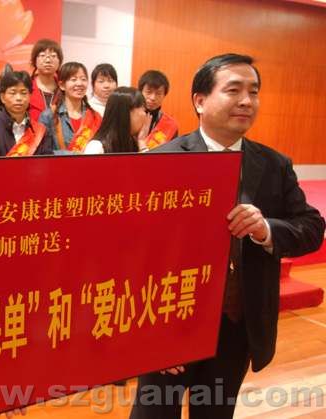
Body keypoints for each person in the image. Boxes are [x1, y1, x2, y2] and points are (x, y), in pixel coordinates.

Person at [131, 53, 326, 419]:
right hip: (171, 322)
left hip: (235, 327)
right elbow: (133, 254)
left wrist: (266, 229)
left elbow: (312, 228)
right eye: (234, 90)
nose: (246, 101)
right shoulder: (161, 161)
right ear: (200, 100)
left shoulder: (274, 164)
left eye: (254, 91)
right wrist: (153, 335)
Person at [38, 62, 102, 153]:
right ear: (62, 85)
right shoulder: (49, 116)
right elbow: (43, 153)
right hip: (60, 163)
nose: (79, 83)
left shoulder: (95, 117)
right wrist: (72, 155)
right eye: (73, 79)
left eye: (83, 79)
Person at [0, 71, 53, 156]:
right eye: (13, 93)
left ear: (30, 96)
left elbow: (47, 160)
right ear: (2, 97)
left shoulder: (40, 131)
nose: (18, 98)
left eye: (23, 93)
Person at [84, 87, 149, 154]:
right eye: (144, 110)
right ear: (126, 113)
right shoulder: (96, 147)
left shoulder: (134, 142)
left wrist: (142, 143)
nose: (145, 115)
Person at [137, 69, 178, 149]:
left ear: (164, 95)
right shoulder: (130, 118)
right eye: (148, 92)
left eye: (158, 93)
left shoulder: (171, 125)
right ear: (140, 92)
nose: (153, 98)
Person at [28, 38, 63, 122]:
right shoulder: (27, 87)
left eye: (53, 56)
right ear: (34, 60)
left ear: (59, 61)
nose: (48, 60)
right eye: (42, 55)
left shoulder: (65, 89)